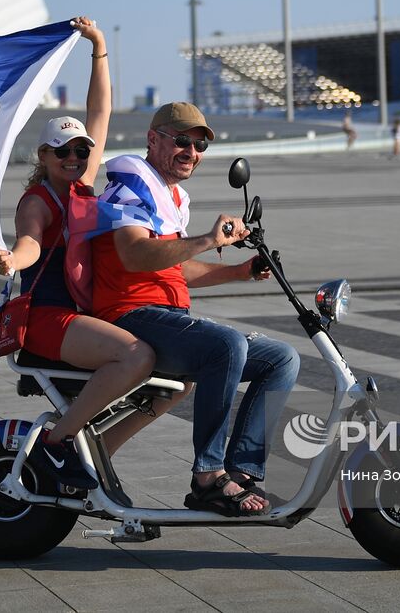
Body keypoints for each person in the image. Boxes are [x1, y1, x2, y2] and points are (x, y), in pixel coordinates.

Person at [88, 102, 300, 516]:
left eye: (199, 144)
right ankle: (208, 477)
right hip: (131, 315)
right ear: (153, 139)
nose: (192, 151)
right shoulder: (129, 187)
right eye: (182, 140)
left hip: (167, 318)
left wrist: (239, 271)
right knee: (225, 346)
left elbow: (176, 265)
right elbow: (134, 255)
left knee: (282, 359)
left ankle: (240, 473)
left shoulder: (170, 196)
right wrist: (208, 239)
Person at [0, 18, 172, 492]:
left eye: (80, 151)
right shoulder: (38, 201)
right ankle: (58, 443)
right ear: (44, 157)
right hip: (49, 319)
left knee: (182, 374)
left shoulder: (84, 188)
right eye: (62, 151)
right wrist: (14, 259)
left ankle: (96, 458)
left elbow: (100, 111)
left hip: (83, 317)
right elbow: (29, 242)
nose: (74, 157)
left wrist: (99, 47)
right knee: (136, 356)